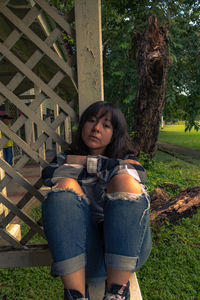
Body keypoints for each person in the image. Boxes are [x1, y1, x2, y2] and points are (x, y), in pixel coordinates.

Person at [42, 101, 152, 300]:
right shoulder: (65, 156)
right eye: (91, 121)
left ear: (114, 133)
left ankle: (117, 293)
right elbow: (49, 175)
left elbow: (137, 174)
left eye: (106, 125)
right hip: (83, 252)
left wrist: (83, 162)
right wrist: (108, 166)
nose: (96, 128)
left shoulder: (127, 158)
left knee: (125, 181)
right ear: (83, 125)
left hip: (128, 249)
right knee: (65, 185)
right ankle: (75, 295)